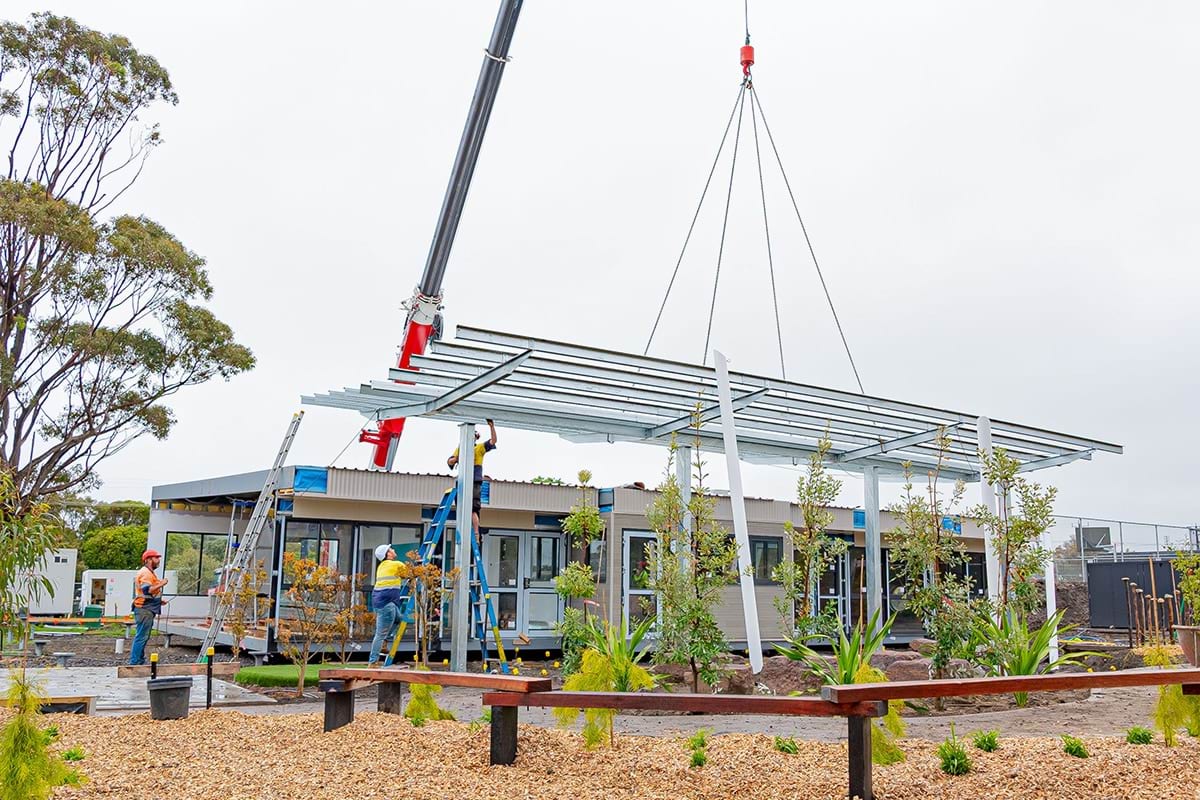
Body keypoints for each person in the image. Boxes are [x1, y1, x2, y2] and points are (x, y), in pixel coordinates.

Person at [446, 419, 497, 540]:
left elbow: (493, 441)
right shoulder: (460, 449)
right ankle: (464, 528)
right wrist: (458, 457)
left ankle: (475, 533)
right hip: (463, 480)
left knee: (473, 508)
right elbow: (450, 461)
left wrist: (491, 427)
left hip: (474, 481)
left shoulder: (479, 448)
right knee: (462, 507)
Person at [367, 544, 406, 667]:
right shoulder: (396, 564)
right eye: (391, 549)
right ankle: (372, 662)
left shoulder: (381, 566)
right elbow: (409, 573)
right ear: (388, 554)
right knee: (380, 634)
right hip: (386, 603)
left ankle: (384, 642)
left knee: (399, 619)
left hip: (381, 601)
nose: (393, 550)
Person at [130, 549, 169, 666]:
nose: (158, 560)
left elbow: (147, 593)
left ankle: (139, 661)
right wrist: (163, 582)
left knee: (143, 636)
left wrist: (158, 600)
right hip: (144, 609)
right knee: (141, 637)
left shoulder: (149, 573)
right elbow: (148, 589)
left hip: (146, 607)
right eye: (156, 558)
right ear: (148, 560)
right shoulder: (146, 573)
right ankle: (135, 662)